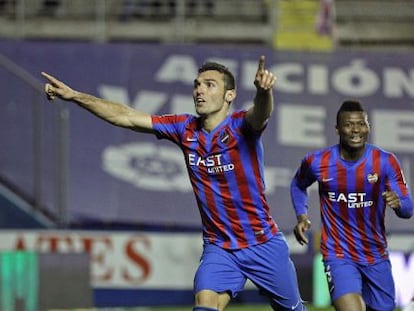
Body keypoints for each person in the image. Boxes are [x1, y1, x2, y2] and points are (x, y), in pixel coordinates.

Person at [42, 56, 307, 311]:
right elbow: (127, 117)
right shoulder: (184, 128)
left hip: (262, 243)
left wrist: (263, 92)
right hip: (220, 248)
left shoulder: (241, 126)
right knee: (205, 303)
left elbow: (261, 114)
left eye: (209, 84)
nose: (199, 91)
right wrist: (76, 97)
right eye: (197, 84)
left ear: (230, 95)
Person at [290, 100, 413, 311]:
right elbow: (298, 185)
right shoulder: (318, 162)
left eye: (361, 124)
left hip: (376, 256)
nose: (355, 130)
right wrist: (302, 216)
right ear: (337, 129)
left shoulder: (385, 161)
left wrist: (398, 204)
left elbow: (408, 209)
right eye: (348, 124)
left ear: (368, 127)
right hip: (338, 255)